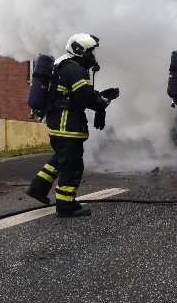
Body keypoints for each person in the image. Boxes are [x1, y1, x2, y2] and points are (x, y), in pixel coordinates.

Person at [25, 34, 119, 217]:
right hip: (67, 124)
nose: (93, 55)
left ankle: (38, 188)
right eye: (90, 51)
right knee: (72, 166)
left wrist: (98, 96)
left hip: (58, 123)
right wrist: (102, 102)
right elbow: (84, 97)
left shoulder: (65, 66)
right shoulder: (74, 70)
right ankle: (65, 206)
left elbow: (76, 94)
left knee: (60, 159)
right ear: (80, 51)